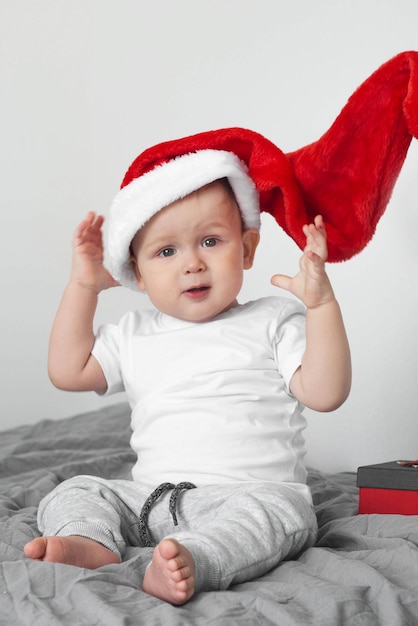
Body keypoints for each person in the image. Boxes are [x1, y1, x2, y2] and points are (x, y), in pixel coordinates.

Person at [24, 132, 351, 606]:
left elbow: (325, 392)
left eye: (210, 241)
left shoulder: (272, 320)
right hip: (153, 502)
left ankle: (195, 560)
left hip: (249, 495)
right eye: (166, 251)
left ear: (247, 248)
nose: (192, 264)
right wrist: (84, 287)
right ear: (135, 271)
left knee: (281, 516)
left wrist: (321, 306)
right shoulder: (134, 332)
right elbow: (68, 370)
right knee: (76, 489)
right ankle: (92, 542)